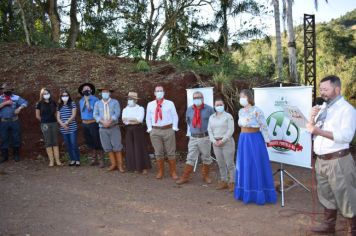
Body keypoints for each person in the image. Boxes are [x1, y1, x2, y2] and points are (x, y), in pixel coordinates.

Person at [306, 75, 355, 235]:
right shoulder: (324, 108)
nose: (322, 92)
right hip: (321, 160)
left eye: (325, 89)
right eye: (321, 89)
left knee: (346, 195)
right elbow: (313, 132)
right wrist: (312, 117)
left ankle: (352, 229)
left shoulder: (347, 110)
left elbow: (346, 136)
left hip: (338, 161)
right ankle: (329, 225)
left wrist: (318, 131)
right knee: (326, 194)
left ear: (337, 89)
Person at [234, 89, 277, 205]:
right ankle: (245, 192)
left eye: (242, 96)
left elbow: (263, 126)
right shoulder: (241, 111)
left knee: (256, 164)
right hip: (243, 139)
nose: (241, 99)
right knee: (245, 164)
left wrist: (267, 140)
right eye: (240, 97)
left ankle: (260, 193)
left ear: (248, 97)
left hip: (254, 139)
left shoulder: (257, 110)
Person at [176, 91, 214, 185]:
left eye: (199, 97)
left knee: (206, 157)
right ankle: (185, 177)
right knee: (190, 157)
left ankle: (206, 176)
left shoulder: (209, 109)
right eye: (195, 98)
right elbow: (188, 121)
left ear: (202, 98)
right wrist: (194, 130)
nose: (197, 99)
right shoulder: (189, 109)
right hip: (193, 138)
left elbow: (213, 122)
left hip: (205, 137)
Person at [146, 85, 179, 180]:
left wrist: (174, 128)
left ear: (164, 92)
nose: (159, 92)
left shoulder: (170, 103)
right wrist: (149, 129)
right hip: (155, 131)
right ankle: (160, 171)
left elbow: (174, 116)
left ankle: (173, 172)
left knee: (171, 152)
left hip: (168, 130)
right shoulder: (150, 104)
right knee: (158, 152)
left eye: (161, 90)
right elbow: (148, 117)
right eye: (157, 91)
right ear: (154, 93)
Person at [93, 87, 124, 172]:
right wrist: (103, 122)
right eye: (103, 92)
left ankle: (120, 165)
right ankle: (113, 164)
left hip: (114, 127)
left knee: (117, 146)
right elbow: (95, 115)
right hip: (102, 128)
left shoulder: (115, 102)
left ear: (109, 93)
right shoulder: (97, 103)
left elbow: (117, 113)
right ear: (101, 93)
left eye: (107, 92)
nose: (105, 93)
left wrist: (109, 121)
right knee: (107, 147)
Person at [207, 98, 236, 192]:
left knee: (230, 164)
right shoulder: (212, 117)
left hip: (227, 142)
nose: (219, 106)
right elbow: (209, 130)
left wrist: (223, 140)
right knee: (220, 163)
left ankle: (232, 182)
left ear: (224, 105)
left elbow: (231, 130)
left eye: (221, 104)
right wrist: (213, 140)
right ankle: (224, 181)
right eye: (217, 105)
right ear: (214, 106)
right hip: (215, 143)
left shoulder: (228, 116)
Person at [122, 92, 151, 174]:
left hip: (138, 129)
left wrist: (129, 119)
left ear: (135, 100)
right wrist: (133, 119)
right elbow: (124, 120)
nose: (129, 100)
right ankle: (135, 167)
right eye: (128, 99)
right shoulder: (125, 109)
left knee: (140, 148)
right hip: (128, 130)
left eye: (131, 99)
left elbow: (140, 120)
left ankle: (144, 167)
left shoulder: (140, 108)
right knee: (131, 148)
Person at [78, 83, 104, 168]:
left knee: (97, 140)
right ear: (82, 91)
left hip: (93, 123)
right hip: (85, 123)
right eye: (84, 89)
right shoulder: (81, 100)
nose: (86, 90)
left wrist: (87, 101)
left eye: (88, 89)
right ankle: (93, 159)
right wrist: (85, 100)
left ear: (91, 90)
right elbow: (82, 111)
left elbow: (93, 110)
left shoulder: (95, 99)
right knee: (89, 141)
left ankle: (101, 160)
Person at [0, 84, 28, 163]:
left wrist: (19, 108)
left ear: (11, 90)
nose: (6, 91)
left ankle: (16, 155)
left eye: (8, 89)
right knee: (4, 138)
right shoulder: (0, 98)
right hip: (3, 122)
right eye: (4, 89)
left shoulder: (16, 97)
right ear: (2, 90)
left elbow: (25, 102)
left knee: (16, 137)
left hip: (14, 121)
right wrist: (4, 103)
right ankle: (5, 156)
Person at [35, 88, 62, 166]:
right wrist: (44, 121)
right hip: (45, 125)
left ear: (50, 94)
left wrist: (58, 121)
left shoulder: (53, 102)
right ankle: (51, 161)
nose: (46, 95)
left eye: (47, 93)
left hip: (54, 123)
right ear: (42, 95)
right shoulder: (39, 103)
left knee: (55, 141)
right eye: (44, 94)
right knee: (48, 142)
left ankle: (57, 160)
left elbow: (57, 114)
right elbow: (37, 116)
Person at [57, 90, 80, 166]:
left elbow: (73, 115)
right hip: (63, 129)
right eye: (63, 95)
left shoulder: (72, 103)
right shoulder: (59, 105)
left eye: (66, 95)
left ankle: (77, 160)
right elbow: (58, 117)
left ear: (69, 96)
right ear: (61, 97)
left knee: (74, 144)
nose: (65, 97)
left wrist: (66, 123)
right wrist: (63, 125)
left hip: (72, 128)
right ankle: (72, 160)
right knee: (68, 145)